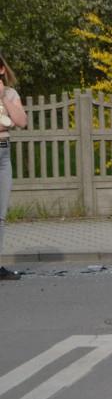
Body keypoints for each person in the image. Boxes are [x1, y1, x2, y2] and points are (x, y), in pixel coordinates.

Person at [0, 52, 27, 281]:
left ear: (2, 70)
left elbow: (22, 121)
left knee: (0, 215)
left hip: (3, 156)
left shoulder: (10, 93)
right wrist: (5, 124)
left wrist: (4, 99)